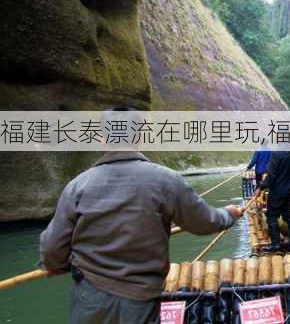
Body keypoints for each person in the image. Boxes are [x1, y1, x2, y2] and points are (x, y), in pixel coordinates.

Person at [39, 108, 242, 324]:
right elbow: (205, 222)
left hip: (89, 298)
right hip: (140, 300)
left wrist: (56, 265)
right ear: (141, 136)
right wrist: (229, 214)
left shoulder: (78, 186)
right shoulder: (166, 180)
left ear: (101, 139)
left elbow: (52, 246)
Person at [258, 144, 290, 253]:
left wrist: (262, 186)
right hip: (289, 191)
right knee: (289, 216)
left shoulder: (277, 153)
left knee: (272, 217)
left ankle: (276, 244)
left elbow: (271, 175)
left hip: (277, 191)